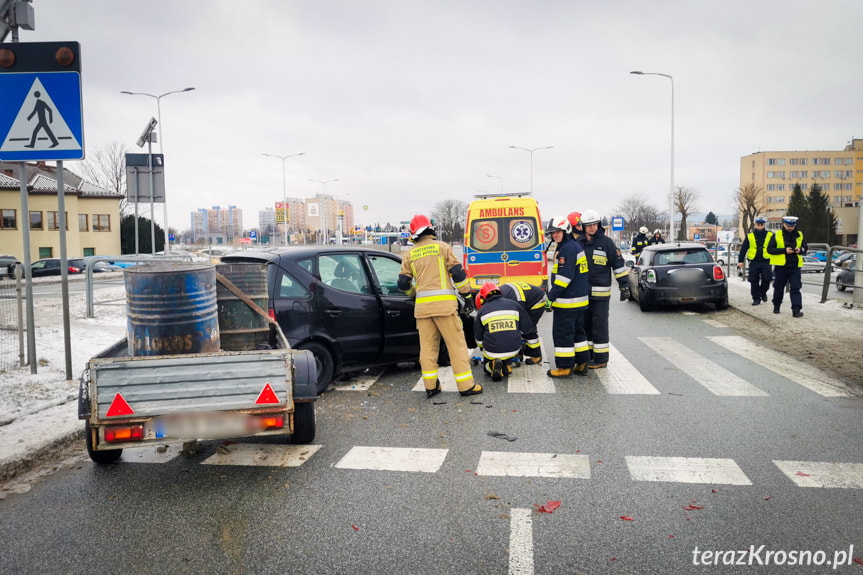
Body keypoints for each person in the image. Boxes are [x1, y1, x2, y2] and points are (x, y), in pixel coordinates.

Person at [398, 214, 482, 397]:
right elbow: (458, 274)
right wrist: (467, 296)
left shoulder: (410, 253)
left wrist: (413, 294)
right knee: (456, 346)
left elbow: (403, 283)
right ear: (430, 229)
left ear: (414, 233)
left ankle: (431, 386)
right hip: (445, 307)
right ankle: (466, 386)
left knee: (428, 348)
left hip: (422, 310)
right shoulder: (442, 248)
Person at [574, 210, 629, 369]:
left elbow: (618, 265)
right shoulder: (578, 244)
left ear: (598, 225)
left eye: (594, 225)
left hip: (601, 295)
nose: (592, 228)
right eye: (588, 225)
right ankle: (589, 355)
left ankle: (601, 358)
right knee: (585, 326)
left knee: (599, 326)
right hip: (583, 293)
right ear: (583, 227)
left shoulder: (607, 243)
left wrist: (624, 285)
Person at [544, 215, 590, 378]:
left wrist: (550, 297)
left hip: (567, 303)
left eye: (557, 232)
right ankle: (582, 362)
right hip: (578, 301)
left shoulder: (567, 249)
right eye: (552, 233)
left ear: (566, 231)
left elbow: (564, 278)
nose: (554, 235)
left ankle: (564, 367)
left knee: (562, 334)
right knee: (578, 333)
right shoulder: (574, 246)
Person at [473, 283, 537, 381]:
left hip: (492, 351)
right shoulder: (514, 304)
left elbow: (478, 337)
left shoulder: (482, 311)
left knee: (487, 366)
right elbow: (527, 328)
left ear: (483, 298)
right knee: (508, 343)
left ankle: (491, 365)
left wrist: (483, 349)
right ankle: (507, 365)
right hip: (514, 348)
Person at [478, 280, 547, 365]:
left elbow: (520, 317)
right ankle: (522, 350)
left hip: (537, 300)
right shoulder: (501, 296)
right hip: (526, 298)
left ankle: (536, 356)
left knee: (528, 328)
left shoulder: (514, 299)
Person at [766, 215, 807, 318]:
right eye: (788, 225)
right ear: (783, 224)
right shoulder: (777, 235)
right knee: (779, 288)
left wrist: (799, 250)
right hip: (781, 267)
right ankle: (776, 306)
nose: (790, 228)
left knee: (796, 288)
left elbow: (805, 248)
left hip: (795, 266)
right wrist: (784, 250)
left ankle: (796, 310)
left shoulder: (799, 235)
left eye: (792, 226)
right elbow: (770, 249)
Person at [737, 215, 774, 306]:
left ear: (764, 225)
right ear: (755, 225)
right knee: (753, 280)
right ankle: (756, 298)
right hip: (754, 261)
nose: (759, 226)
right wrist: (740, 260)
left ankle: (762, 292)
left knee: (767, 278)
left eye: (761, 224)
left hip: (766, 261)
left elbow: (775, 247)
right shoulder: (750, 236)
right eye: (758, 224)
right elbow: (744, 248)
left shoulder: (770, 235)